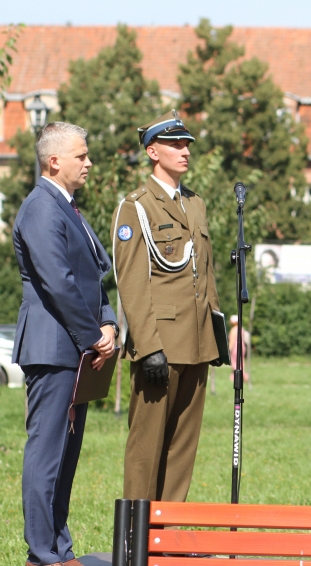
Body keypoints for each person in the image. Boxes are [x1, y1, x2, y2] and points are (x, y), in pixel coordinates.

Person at [14, 122, 118, 566]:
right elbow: (57, 281)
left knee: (66, 458)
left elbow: (95, 273)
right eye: (82, 155)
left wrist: (109, 322)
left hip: (77, 352)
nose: (89, 162)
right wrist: (94, 335)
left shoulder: (68, 208)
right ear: (54, 160)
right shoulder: (41, 208)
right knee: (47, 455)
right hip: (54, 350)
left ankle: (60, 547)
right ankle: (42, 552)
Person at [112, 110, 221, 502]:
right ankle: (134, 542)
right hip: (160, 344)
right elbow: (132, 281)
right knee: (146, 447)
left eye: (187, 144)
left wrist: (217, 335)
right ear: (152, 151)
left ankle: (167, 536)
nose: (185, 151)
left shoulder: (196, 204)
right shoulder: (137, 207)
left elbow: (205, 274)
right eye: (175, 144)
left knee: (182, 448)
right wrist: (148, 345)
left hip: (196, 342)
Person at [228, 314, 250, 382]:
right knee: (241, 362)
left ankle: (242, 376)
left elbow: (232, 341)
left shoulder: (234, 329)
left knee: (235, 362)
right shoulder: (241, 328)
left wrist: (229, 350)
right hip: (242, 347)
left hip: (235, 348)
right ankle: (237, 376)